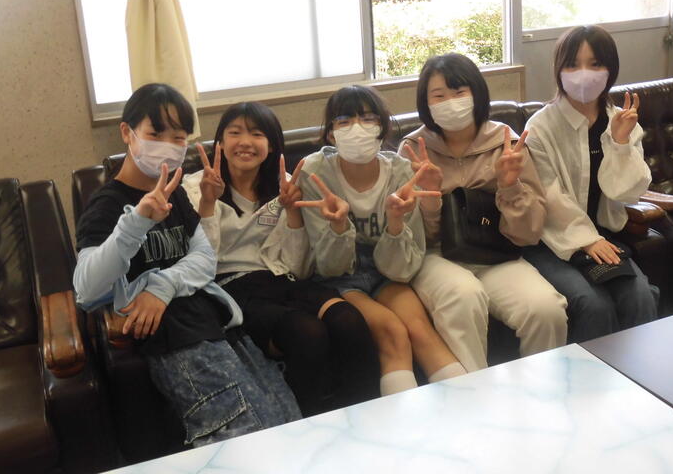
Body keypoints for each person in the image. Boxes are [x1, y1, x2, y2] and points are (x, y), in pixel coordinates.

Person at [73, 83, 300, 447]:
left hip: (217, 322)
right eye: (155, 134)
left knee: (288, 421)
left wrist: (162, 286)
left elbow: (204, 258)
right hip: (175, 340)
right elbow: (86, 289)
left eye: (178, 137)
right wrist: (136, 223)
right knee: (247, 438)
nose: (168, 144)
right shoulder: (108, 205)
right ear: (127, 133)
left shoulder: (176, 193)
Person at [182, 102, 380, 415]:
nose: (245, 142)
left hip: (281, 280)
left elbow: (298, 269)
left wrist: (292, 212)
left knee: (349, 321)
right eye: (235, 133)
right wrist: (208, 203)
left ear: (271, 144)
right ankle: (306, 428)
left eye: (256, 134)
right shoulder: (195, 186)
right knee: (307, 332)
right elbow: (202, 264)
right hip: (229, 286)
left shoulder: (285, 185)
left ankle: (370, 420)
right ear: (220, 142)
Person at [398, 53, 567, 372]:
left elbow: (528, 233)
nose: (450, 102)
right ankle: (474, 392)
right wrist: (431, 197)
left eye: (459, 92)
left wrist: (510, 185)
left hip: (495, 253)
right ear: (426, 103)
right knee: (464, 296)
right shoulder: (413, 149)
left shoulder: (506, 143)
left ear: (476, 92)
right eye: (439, 96)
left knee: (546, 309)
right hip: (436, 256)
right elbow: (412, 238)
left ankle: (543, 390)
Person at [295, 85, 467, 395]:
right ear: (331, 134)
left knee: (422, 332)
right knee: (392, 333)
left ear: (382, 127)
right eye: (344, 121)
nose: (356, 128)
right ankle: (402, 423)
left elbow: (401, 271)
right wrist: (338, 227)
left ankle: (471, 411)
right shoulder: (315, 172)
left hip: (388, 270)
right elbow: (330, 267)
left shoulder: (401, 172)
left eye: (367, 118)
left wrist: (396, 222)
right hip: (338, 277)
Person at [523, 25, 658, 343]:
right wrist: (586, 240)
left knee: (640, 297)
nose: (583, 74)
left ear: (610, 69)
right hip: (550, 241)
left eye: (595, 64)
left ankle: (644, 372)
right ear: (559, 70)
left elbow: (629, 191)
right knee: (593, 306)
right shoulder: (540, 128)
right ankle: (592, 375)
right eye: (573, 65)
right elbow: (549, 195)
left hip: (604, 237)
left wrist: (620, 143)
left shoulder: (621, 120)